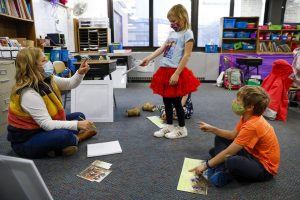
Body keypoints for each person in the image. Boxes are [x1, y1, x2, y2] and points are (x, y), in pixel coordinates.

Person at [7, 47, 97, 158]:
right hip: (26, 140)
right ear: (32, 67)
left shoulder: (46, 79)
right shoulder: (28, 93)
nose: (49, 63)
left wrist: (80, 73)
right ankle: (76, 139)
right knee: (65, 135)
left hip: (40, 128)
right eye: (44, 61)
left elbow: (70, 83)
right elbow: (47, 124)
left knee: (79, 116)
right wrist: (77, 125)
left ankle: (59, 147)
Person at [190, 86, 280, 187]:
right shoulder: (247, 116)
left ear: (250, 107)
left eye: (238, 100)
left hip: (264, 168)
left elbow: (228, 153)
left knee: (230, 160)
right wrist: (212, 129)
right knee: (219, 139)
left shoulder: (253, 125)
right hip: (252, 154)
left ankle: (226, 171)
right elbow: (232, 135)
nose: (234, 102)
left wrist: (206, 165)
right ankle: (223, 167)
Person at [140, 4, 200, 139]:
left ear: (182, 17)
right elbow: (162, 48)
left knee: (176, 102)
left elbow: (187, 55)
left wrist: (177, 73)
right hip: (164, 69)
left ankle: (182, 129)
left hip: (175, 70)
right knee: (166, 100)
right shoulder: (171, 33)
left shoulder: (188, 33)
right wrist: (148, 58)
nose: (171, 24)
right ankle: (169, 125)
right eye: (170, 21)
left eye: (173, 21)